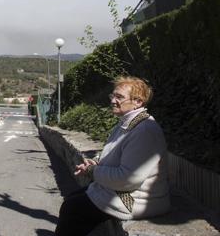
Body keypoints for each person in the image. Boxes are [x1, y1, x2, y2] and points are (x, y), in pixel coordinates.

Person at [55, 76, 170, 236]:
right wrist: (94, 163)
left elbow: (128, 179)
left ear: (138, 101)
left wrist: (93, 171)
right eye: (113, 96)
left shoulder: (144, 131)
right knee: (73, 199)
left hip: (136, 200)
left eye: (119, 97)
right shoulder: (127, 123)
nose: (113, 100)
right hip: (124, 192)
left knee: (72, 208)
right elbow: (111, 155)